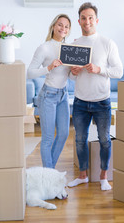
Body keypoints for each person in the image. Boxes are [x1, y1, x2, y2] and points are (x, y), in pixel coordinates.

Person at [67, 2, 123, 191]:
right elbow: (69, 76)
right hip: (80, 102)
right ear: (79, 21)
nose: (87, 21)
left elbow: (119, 71)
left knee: (105, 140)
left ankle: (103, 177)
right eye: (83, 18)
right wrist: (73, 72)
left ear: (96, 20)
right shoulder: (74, 44)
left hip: (102, 101)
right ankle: (82, 176)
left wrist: (99, 69)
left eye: (90, 17)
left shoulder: (107, 43)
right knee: (80, 140)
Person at [27, 14, 71, 169]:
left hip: (63, 95)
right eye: (60, 25)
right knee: (47, 138)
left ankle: (49, 172)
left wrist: (75, 72)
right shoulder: (44, 47)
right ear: (53, 26)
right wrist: (49, 67)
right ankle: (49, 175)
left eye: (66, 26)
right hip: (48, 96)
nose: (63, 29)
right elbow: (30, 72)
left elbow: (68, 74)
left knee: (64, 133)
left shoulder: (69, 49)